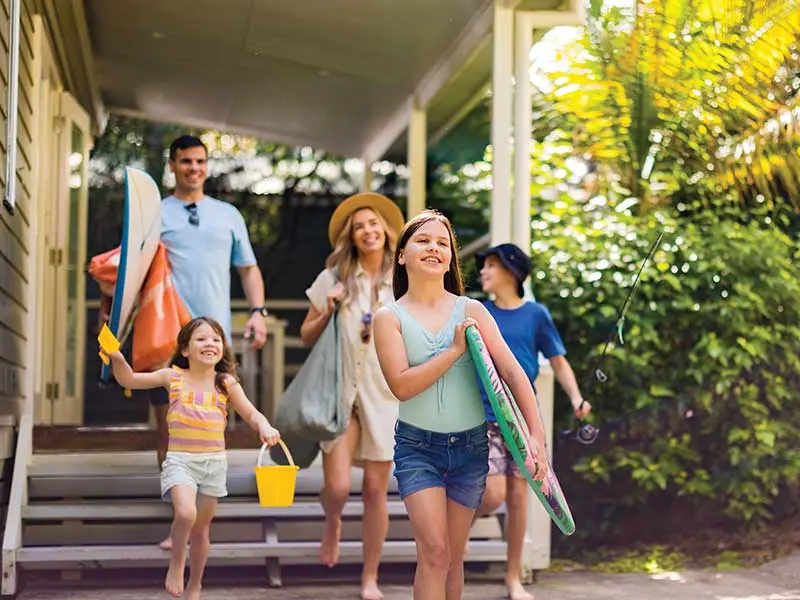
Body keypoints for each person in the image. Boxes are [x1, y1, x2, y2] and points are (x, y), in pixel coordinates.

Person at [373, 211, 549, 600]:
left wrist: (536, 438)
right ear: (401, 255)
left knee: (452, 559)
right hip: (418, 450)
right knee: (434, 553)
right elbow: (402, 386)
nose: (434, 248)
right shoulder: (389, 318)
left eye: (442, 243)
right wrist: (455, 350)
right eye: (423, 241)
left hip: (470, 449)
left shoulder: (472, 310)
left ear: (450, 258)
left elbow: (515, 375)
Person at [101, 317, 281, 600]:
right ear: (185, 349)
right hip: (181, 461)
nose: (210, 343)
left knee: (201, 530)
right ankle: (176, 563)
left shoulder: (226, 383)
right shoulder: (172, 377)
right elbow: (129, 379)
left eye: (216, 339)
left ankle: (195, 585)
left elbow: (251, 413)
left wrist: (265, 426)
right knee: (186, 513)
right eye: (201, 339)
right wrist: (117, 357)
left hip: (213, 464)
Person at [149, 135, 269, 550]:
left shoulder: (228, 214)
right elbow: (132, 269)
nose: (193, 168)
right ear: (172, 165)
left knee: (214, 419)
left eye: (200, 161)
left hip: (213, 336)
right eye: (185, 161)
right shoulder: (155, 212)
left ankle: (202, 520)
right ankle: (176, 518)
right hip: (168, 333)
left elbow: (249, 269)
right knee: (168, 425)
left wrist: (258, 313)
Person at [299, 192, 405, 600]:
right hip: (341, 393)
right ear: (351, 236)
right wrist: (326, 310)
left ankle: (369, 577)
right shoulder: (334, 277)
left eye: (373, 223)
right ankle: (333, 520)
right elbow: (306, 336)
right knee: (339, 486)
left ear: (385, 230)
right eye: (359, 226)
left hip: (385, 395)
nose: (368, 231)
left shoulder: (404, 279)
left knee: (377, 492)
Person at [473, 243, 592, 600]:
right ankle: (458, 528)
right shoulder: (478, 313)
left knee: (520, 499)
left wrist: (576, 398)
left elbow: (558, 362)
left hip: (525, 420)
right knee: (492, 496)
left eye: (491, 266)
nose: (483, 272)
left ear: (511, 273)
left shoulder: (537, 314)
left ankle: (512, 579)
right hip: (487, 416)